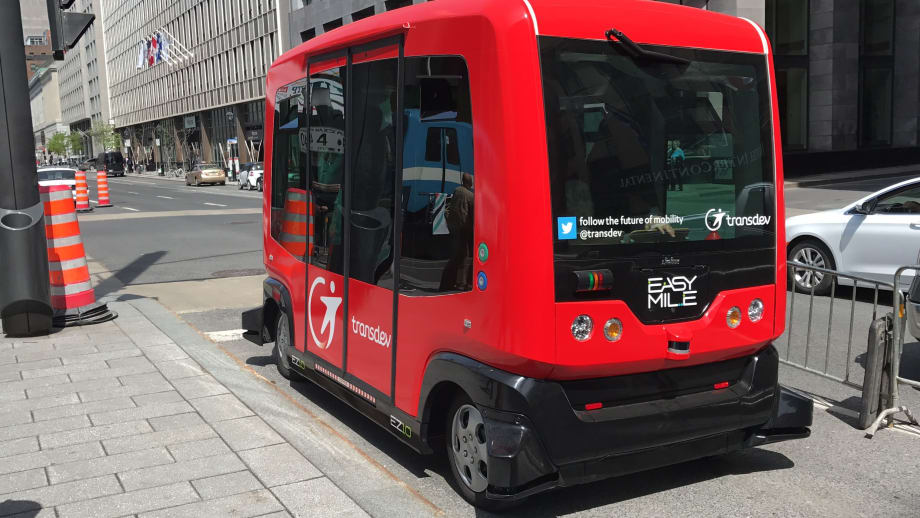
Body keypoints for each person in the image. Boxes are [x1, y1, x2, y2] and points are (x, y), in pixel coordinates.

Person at [440, 173, 474, 291]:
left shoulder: (456, 191)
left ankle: (448, 283)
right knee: (463, 256)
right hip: (464, 229)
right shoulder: (470, 195)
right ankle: (461, 283)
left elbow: (450, 207)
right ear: (470, 182)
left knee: (457, 255)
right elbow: (473, 213)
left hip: (454, 228)